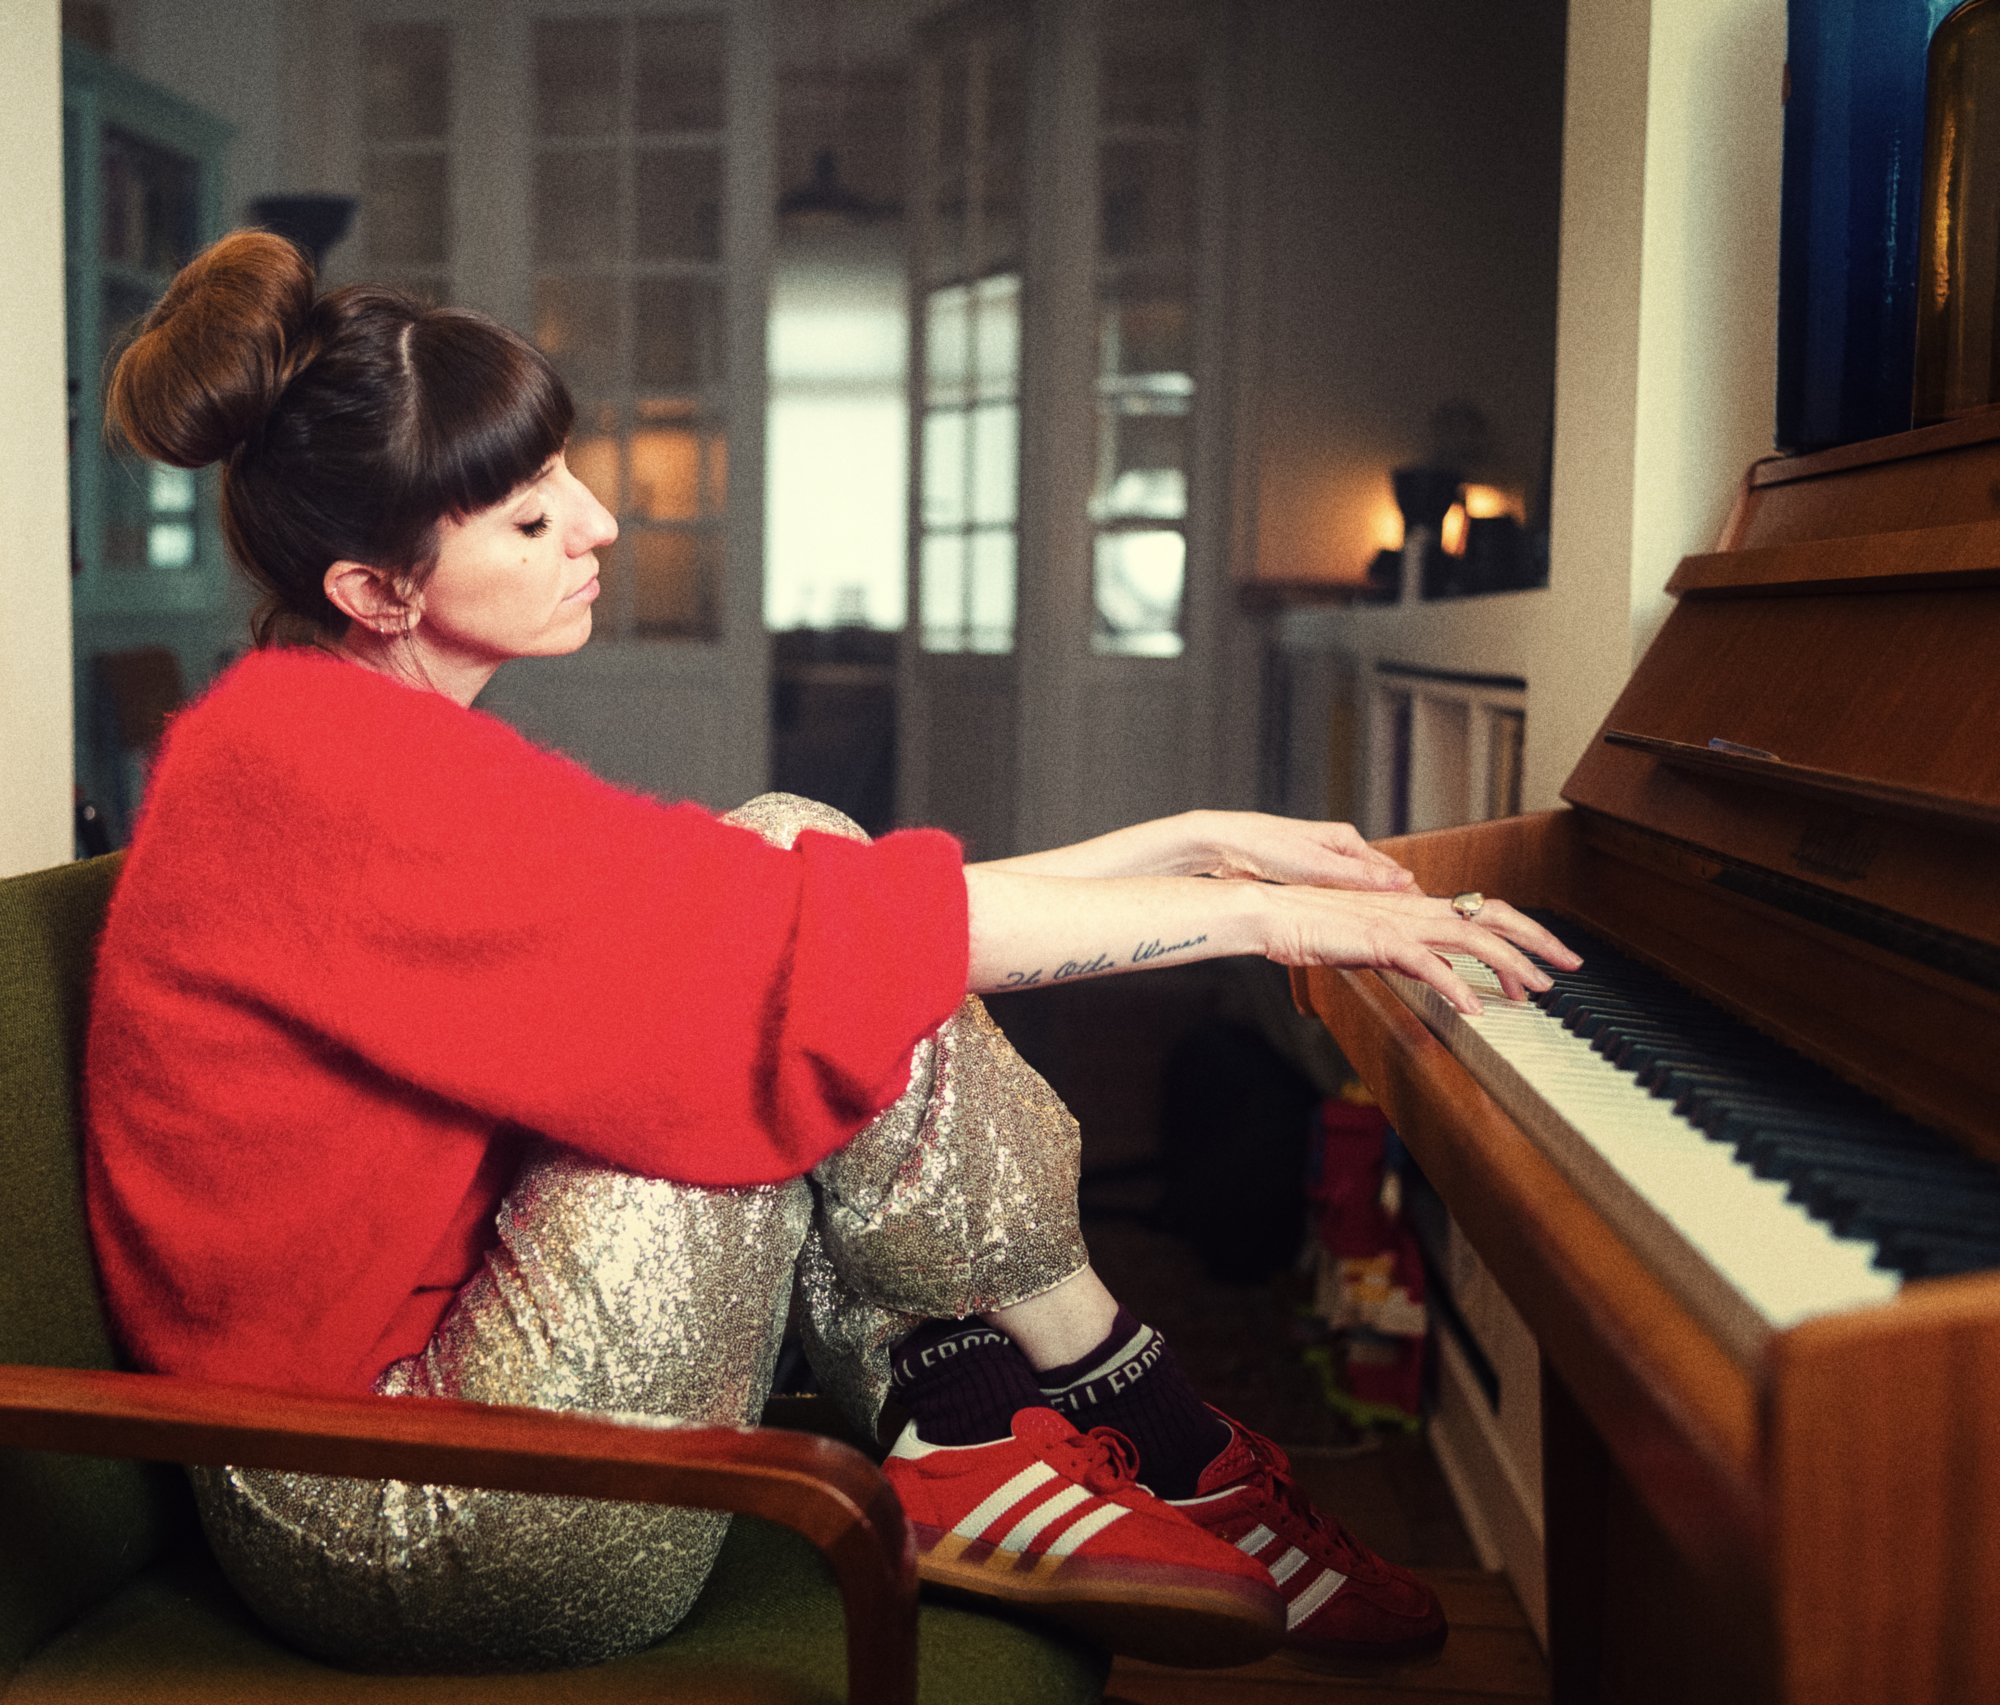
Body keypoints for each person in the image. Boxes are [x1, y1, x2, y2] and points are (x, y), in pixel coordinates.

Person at [84, 231, 1577, 1678]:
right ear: (377, 591)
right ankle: (1122, 1413)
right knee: (768, 963)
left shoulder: (329, 731)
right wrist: (1263, 919)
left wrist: (1178, 845)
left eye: (563, 476)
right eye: (529, 520)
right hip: (399, 1508)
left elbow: (780, 904)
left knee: (789, 867)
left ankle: (976, 1425)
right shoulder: (304, 772)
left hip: (478, 1399)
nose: (598, 524)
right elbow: (788, 941)